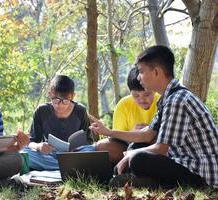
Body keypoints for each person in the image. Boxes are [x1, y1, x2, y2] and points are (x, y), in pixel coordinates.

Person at [90, 45, 218, 188]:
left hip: (200, 172)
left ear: (156, 72)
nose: (139, 77)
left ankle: (153, 183)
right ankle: (147, 181)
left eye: (141, 71)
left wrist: (130, 155)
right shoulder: (167, 98)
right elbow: (147, 134)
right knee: (137, 149)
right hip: (181, 162)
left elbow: (160, 149)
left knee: (138, 159)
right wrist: (108, 132)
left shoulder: (178, 100)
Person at [23, 75, 94, 170]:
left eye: (65, 101)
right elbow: (32, 142)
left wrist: (77, 150)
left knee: (95, 149)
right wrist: (39, 146)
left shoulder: (80, 111)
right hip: (50, 155)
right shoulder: (42, 111)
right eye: (56, 100)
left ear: (73, 96)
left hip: (74, 155)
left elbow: (89, 141)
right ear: (49, 94)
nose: (60, 105)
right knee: (25, 152)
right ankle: (69, 168)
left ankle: (61, 167)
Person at [95, 67, 160, 163]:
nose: (142, 100)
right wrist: (133, 134)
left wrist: (150, 133)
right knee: (102, 146)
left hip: (157, 147)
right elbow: (117, 140)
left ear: (154, 90)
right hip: (129, 147)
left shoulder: (163, 101)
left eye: (147, 95)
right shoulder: (123, 105)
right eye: (136, 96)